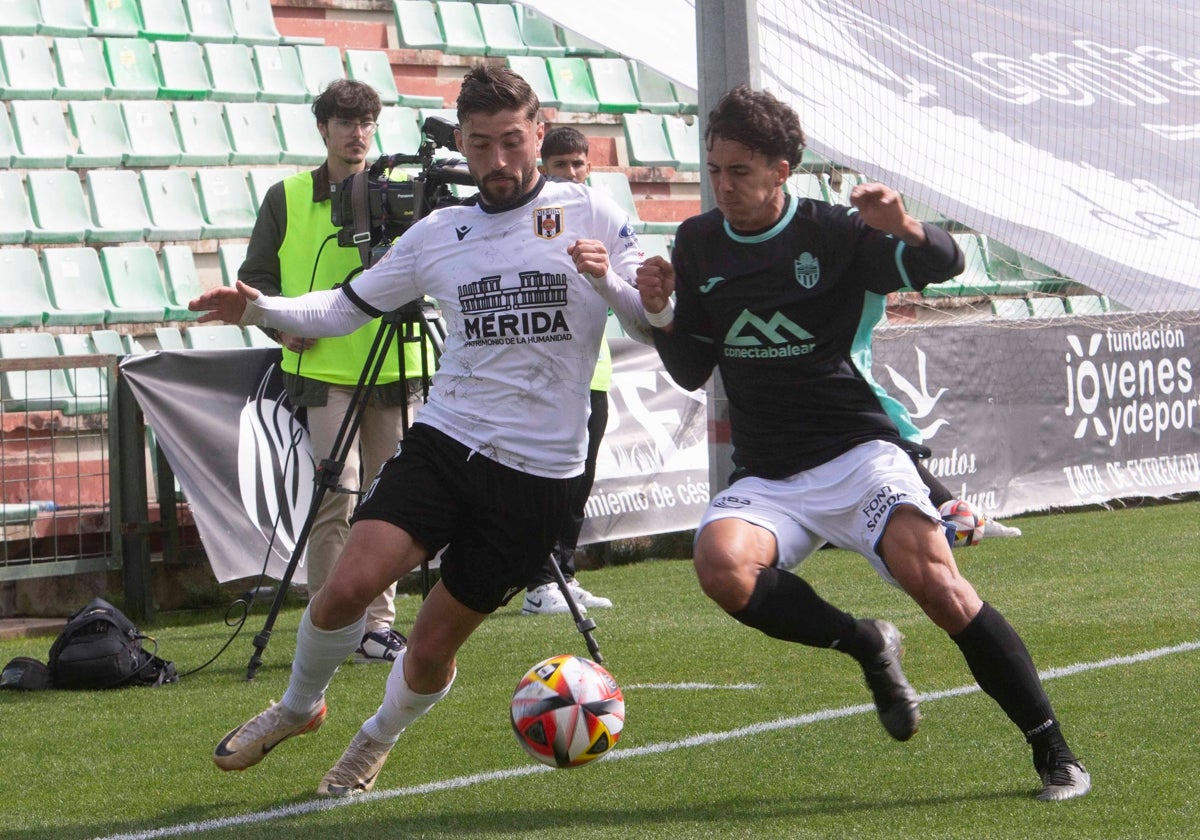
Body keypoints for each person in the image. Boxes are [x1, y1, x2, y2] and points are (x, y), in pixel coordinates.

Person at [192, 64, 652, 796]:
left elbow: (653, 326)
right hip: (446, 441)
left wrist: (621, 288)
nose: (498, 163)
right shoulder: (443, 232)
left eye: (512, 142)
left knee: (432, 646)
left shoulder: (593, 215)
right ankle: (297, 707)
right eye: (480, 146)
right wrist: (258, 310)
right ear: (462, 145)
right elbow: (343, 309)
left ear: (539, 132)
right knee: (344, 589)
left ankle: (374, 740)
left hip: (539, 477)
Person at [635, 85, 1090, 801]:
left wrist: (905, 225)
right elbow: (694, 366)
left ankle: (1054, 751)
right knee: (720, 567)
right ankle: (867, 643)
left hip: (858, 451)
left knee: (937, 583)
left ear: (782, 170)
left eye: (741, 172)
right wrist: (661, 310)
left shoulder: (832, 232)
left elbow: (945, 264)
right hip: (770, 472)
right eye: (715, 169)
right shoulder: (697, 242)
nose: (724, 185)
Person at [238, 79, 423, 664]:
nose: (357, 132)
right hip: (324, 372)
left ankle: (376, 626)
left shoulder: (403, 193)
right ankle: (328, 623)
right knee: (334, 500)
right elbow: (256, 279)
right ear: (324, 129)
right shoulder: (286, 196)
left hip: (396, 366)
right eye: (345, 122)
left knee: (389, 503)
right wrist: (278, 326)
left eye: (366, 121)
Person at [522, 126, 613, 615]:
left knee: (581, 483)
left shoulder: (601, 215)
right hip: (546, 371)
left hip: (594, 370)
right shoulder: (538, 215)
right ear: (544, 166)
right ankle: (539, 582)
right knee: (548, 483)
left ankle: (565, 573)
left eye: (579, 163)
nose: (572, 173)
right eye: (561, 165)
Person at [852, 291, 1023, 539]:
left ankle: (952, 513)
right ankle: (951, 513)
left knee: (889, 445)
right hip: (838, 382)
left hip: (845, 378)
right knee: (888, 443)